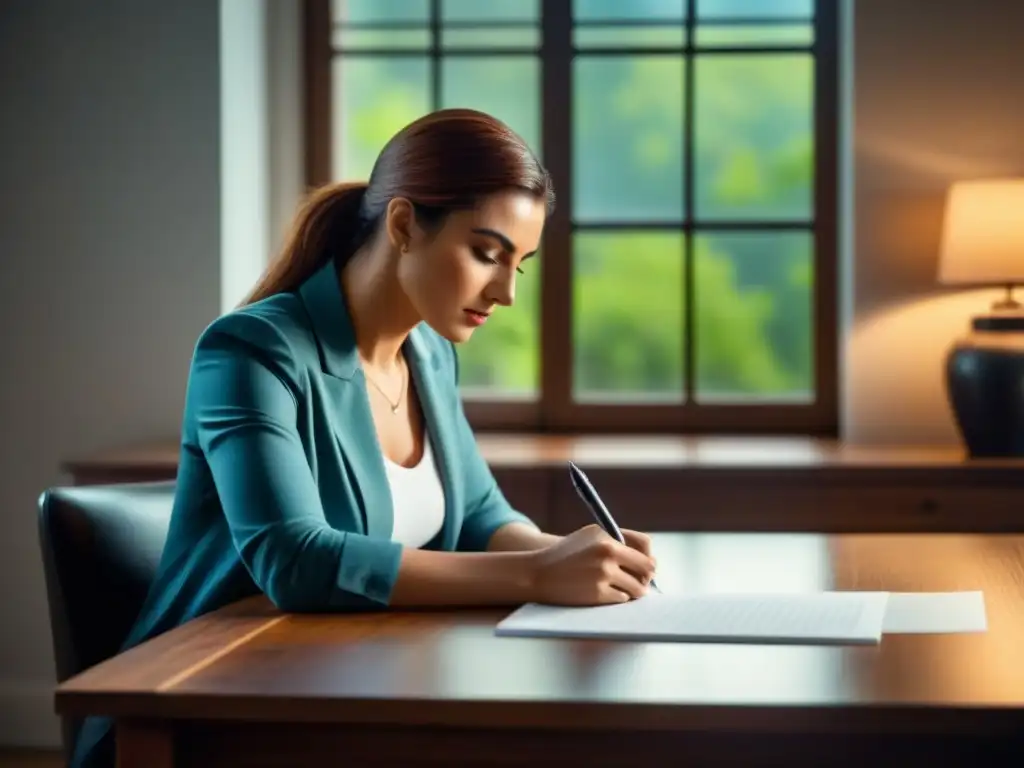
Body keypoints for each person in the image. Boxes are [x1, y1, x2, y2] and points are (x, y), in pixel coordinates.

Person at [69, 108, 657, 768]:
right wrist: (535, 573)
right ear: (404, 225)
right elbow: (296, 561)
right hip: (213, 707)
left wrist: (575, 557)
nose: (506, 292)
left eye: (518, 265)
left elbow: (480, 516)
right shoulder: (250, 351)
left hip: (352, 679)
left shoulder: (429, 355)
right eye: (487, 254)